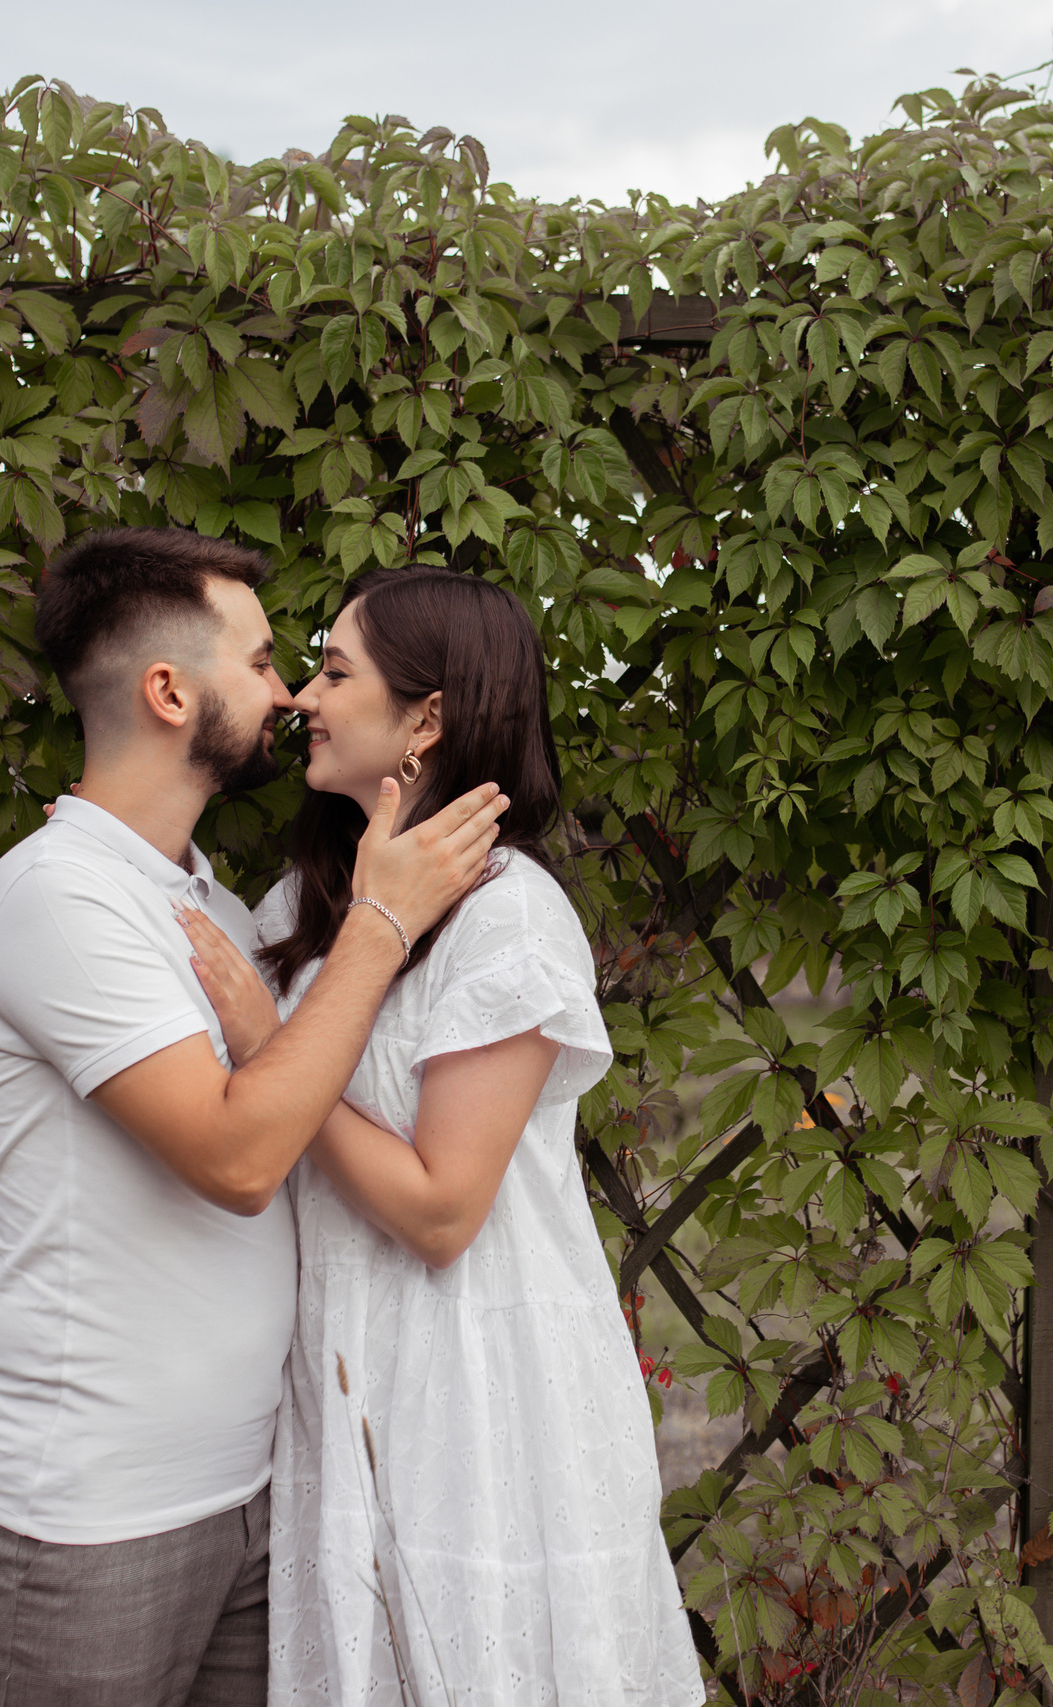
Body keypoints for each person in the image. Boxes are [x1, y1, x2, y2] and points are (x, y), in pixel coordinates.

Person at [0, 529, 511, 1707]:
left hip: (249, 1498)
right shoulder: (60, 897)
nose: (289, 691)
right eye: (260, 662)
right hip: (88, 1521)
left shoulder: (199, 897)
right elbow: (244, 1156)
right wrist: (381, 922)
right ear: (167, 691)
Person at [175, 566, 703, 1706]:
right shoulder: (297, 910)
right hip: (343, 1375)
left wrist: (276, 1046)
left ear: (426, 719)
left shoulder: (508, 916)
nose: (304, 698)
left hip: (480, 1391)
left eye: (333, 672)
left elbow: (441, 1210)